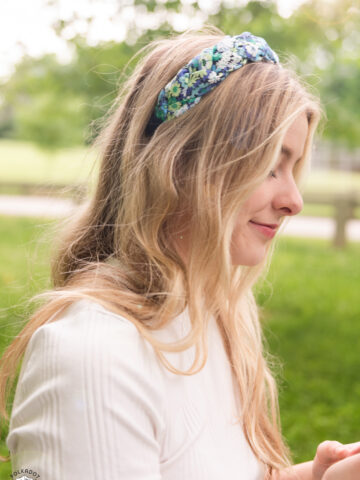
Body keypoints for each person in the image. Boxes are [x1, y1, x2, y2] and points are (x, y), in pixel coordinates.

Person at [0, 24, 359, 480]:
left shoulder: (213, 315)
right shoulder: (95, 356)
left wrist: (318, 477)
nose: (294, 200)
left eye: (293, 168)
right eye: (270, 166)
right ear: (179, 165)